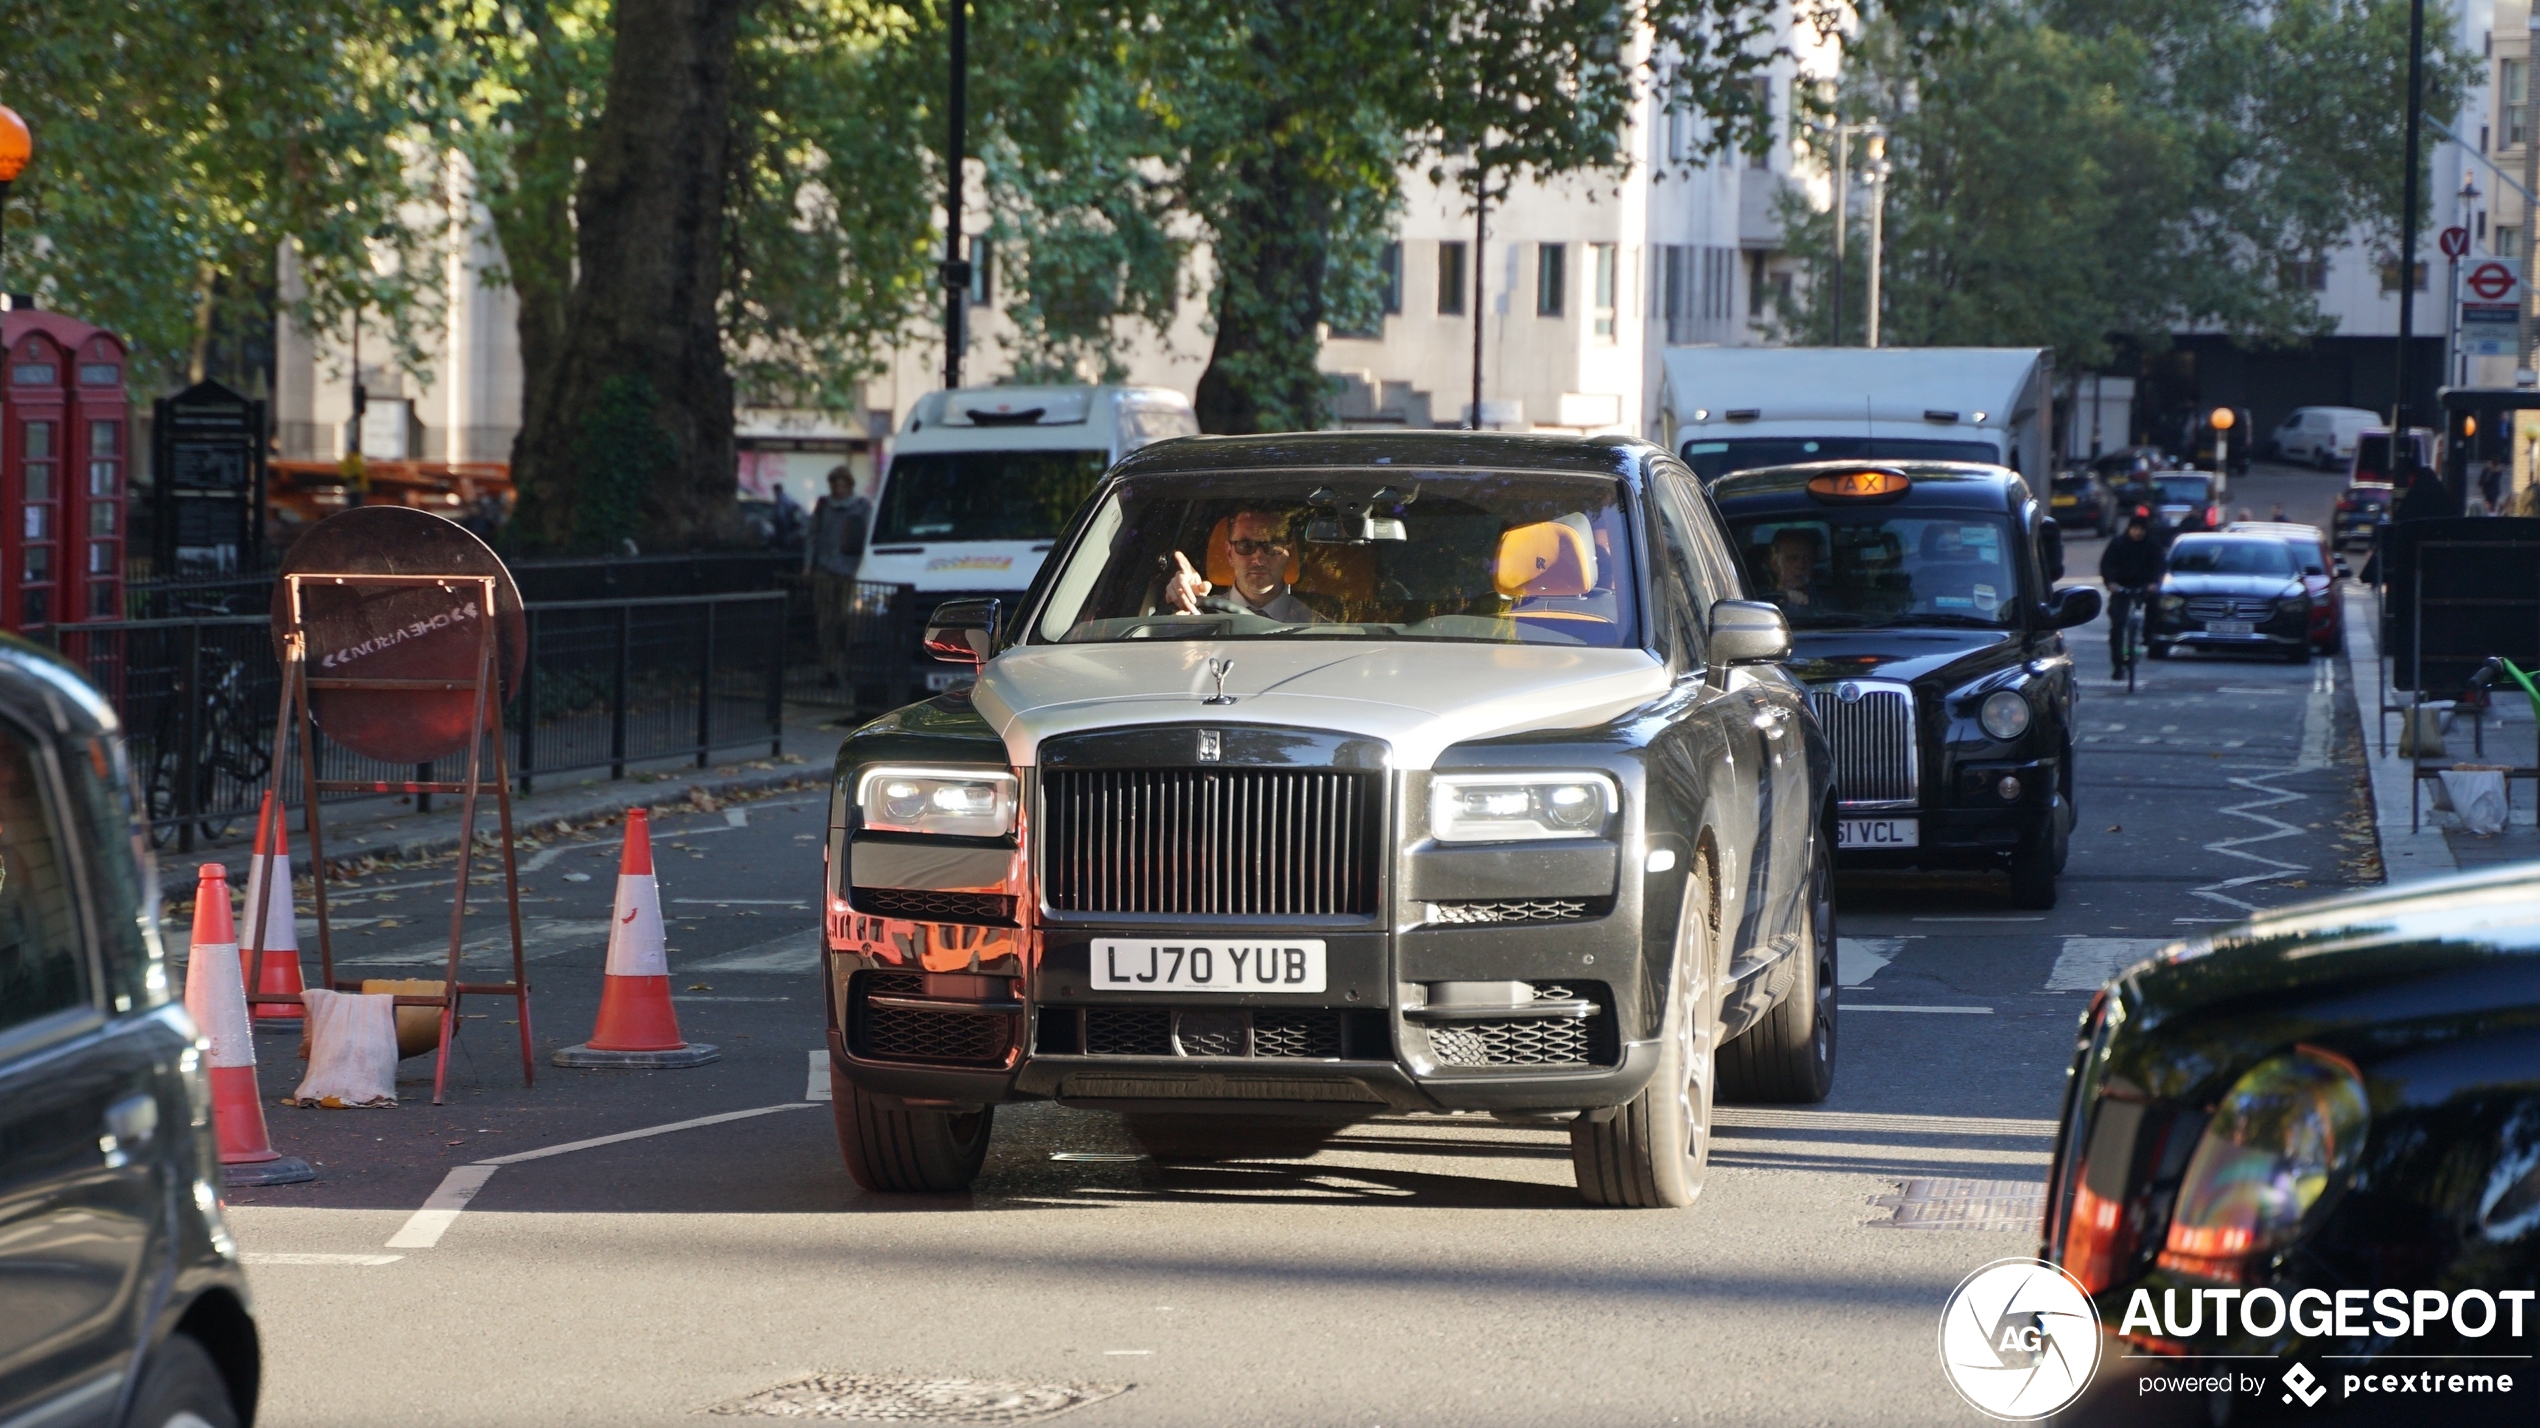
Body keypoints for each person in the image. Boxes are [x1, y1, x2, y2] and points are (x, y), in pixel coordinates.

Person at [1166, 507, 1321, 623]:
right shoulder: (1198, 617)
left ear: (1289, 552)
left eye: (1272, 545)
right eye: (1246, 545)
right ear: (1228, 553)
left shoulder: (1318, 629)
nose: (1258, 558)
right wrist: (1184, 603)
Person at [807, 466, 872, 685]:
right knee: (825, 622)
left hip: (850, 571)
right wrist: (808, 566)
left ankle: (845, 664)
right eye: (835, 484)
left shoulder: (862, 507)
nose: (838, 488)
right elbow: (812, 536)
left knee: (845, 621)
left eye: (842, 484)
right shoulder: (823, 506)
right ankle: (830, 669)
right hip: (825, 570)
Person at [2099, 510, 2166, 680]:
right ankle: (2118, 665)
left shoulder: (2153, 545)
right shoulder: (2118, 544)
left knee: (2154, 605)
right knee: (2117, 624)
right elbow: (2106, 564)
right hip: (2121, 586)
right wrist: (2111, 583)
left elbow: (2159, 566)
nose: (2137, 532)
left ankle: (2148, 636)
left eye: (2141, 529)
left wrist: (2154, 584)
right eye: (2134, 528)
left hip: (2144, 585)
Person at [1764, 527, 1822, 609]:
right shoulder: (1759, 603)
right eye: (1792, 558)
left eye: (1807, 558)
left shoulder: (1828, 602)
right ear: (1775, 563)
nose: (1801, 565)